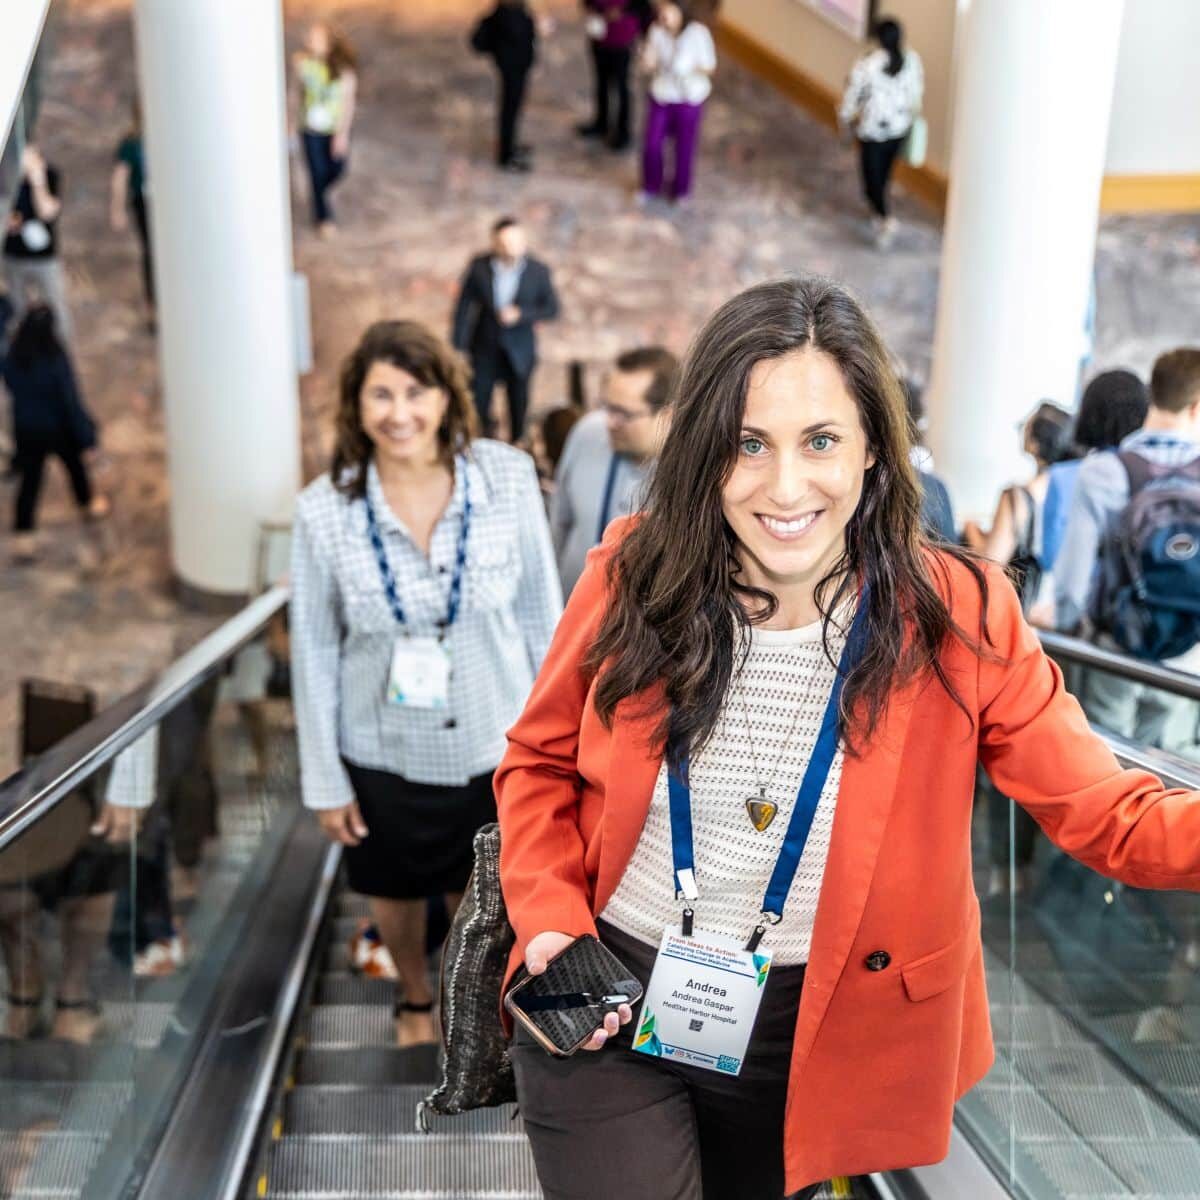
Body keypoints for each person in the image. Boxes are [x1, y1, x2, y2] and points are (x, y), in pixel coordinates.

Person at [493, 275, 1200, 1200]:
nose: (785, 487)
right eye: (749, 444)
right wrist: (549, 918)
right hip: (608, 1002)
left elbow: (1108, 811)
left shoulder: (960, 613)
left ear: (875, 449)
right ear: (705, 450)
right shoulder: (634, 572)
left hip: (814, 1032)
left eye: (820, 441)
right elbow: (538, 762)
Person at [290, 319, 561, 1047]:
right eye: (381, 394)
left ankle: (463, 1001)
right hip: (379, 747)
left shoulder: (504, 475)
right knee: (396, 888)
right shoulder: (324, 510)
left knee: (481, 895)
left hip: (494, 737)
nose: (400, 412)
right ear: (356, 406)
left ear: (446, 397)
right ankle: (414, 995)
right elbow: (313, 646)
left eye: (417, 391)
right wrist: (324, 779)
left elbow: (543, 611)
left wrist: (563, 748)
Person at [1056, 348, 1200, 748]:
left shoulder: (1104, 471)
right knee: (1171, 782)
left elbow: (1072, 582)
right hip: (1187, 659)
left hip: (1114, 653)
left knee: (1107, 767)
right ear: (1196, 405)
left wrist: (1072, 637)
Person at [550, 345, 678, 595]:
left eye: (623, 414)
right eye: (607, 407)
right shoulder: (587, 433)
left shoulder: (691, 476)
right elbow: (559, 523)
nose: (610, 422)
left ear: (668, 415)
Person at [1, 305, 108, 563]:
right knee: (75, 471)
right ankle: (87, 507)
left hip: (27, 430)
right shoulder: (56, 361)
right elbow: (71, 403)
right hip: (59, 430)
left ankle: (24, 537)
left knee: (30, 484)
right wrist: (87, 438)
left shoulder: (12, 360)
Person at [451, 217, 560, 442]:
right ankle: (480, 442)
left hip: (519, 350)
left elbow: (552, 308)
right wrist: (458, 346)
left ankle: (517, 444)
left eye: (515, 242)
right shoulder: (479, 266)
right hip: (484, 347)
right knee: (478, 402)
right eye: (504, 243)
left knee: (518, 404)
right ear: (494, 243)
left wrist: (521, 314)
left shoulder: (538, 270)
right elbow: (464, 305)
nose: (510, 248)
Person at [963, 401, 1074, 612]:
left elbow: (989, 563)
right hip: (1049, 616)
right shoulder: (1072, 495)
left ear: (1036, 443)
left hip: (1015, 615)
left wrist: (971, 529)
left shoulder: (1018, 497)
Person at [1040, 368, 1149, 577]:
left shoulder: (1064, 476)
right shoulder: (1149, 473)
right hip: (1134, 598)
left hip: (1083, 600)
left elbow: (1051, 556)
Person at [838, 17, 924, 249]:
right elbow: (916, 93)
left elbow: (851, 98)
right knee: (883, 172)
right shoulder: (912, 60)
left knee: (871, 178)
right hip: (899, 128)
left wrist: (844, 121)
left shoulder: (867, 65)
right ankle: (880, 210)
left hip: (873, 132)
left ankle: (884, 217)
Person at [638, 2, 717, 206]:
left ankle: (681, 190)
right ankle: (650, 185)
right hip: (663, 94)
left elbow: (710, 67)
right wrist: (647, 62)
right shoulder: (656, 31)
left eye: (668, 11)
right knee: (652, 143)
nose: (663, 15)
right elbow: (651, 59)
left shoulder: (697, 33)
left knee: (684, 146)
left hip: (688, 98)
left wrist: (689, 67)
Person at [293, 22, 358, 237]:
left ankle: (322, 195)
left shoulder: (343, 70)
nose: (312, 42)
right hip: (310, 127)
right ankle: (324, 218)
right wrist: (290, 120)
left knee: (337, 169)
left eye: (318, 39)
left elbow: (348, 103)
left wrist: (342, 134)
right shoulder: (303, 64)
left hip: (332, 128)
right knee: (316, 173)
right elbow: (295, 93)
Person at [3, 144, 71, 340]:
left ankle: (60, 350)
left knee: (56, 305)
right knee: (18, 307)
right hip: (14, 255)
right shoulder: (7, 177)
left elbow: (48, 212)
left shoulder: (49, 175)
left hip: (44, 257)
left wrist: (37, 182)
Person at [471, 0, 538, 171]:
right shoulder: (508, 14)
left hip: (514, 65)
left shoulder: (511, 10)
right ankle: (506, 155)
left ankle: (510, 145)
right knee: (510, 107)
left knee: (513, 107)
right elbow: (517, 37)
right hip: (512, 66)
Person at [577, 1, 646, 152]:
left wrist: (621, 11)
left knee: (622, 87)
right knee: (601, 82)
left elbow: (643, 6)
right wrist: (592, 9)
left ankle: (623, 133)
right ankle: (601, 123)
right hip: (599, 34)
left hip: (622, 37)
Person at [109, 99, 155, 319]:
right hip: (145, 201)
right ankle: (152, 305)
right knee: (151, 251)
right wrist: (117, 208)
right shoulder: (132, 143)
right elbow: (120, 176)